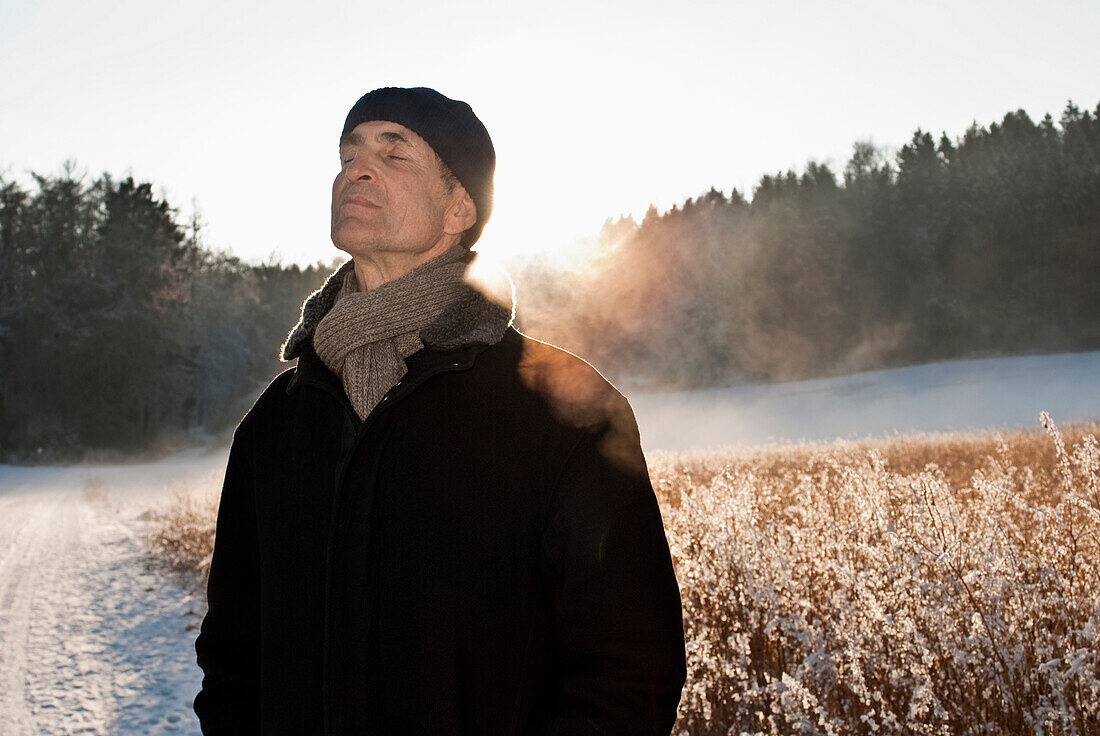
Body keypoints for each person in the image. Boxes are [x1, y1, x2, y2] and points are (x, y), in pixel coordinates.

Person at [193, 86, 686, 735]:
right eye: (350, 154)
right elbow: (233, 655)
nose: (356, 170)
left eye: (393, 155)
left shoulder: (563, 409)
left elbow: (630, 671)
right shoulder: (277, 423)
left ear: (459, 207)